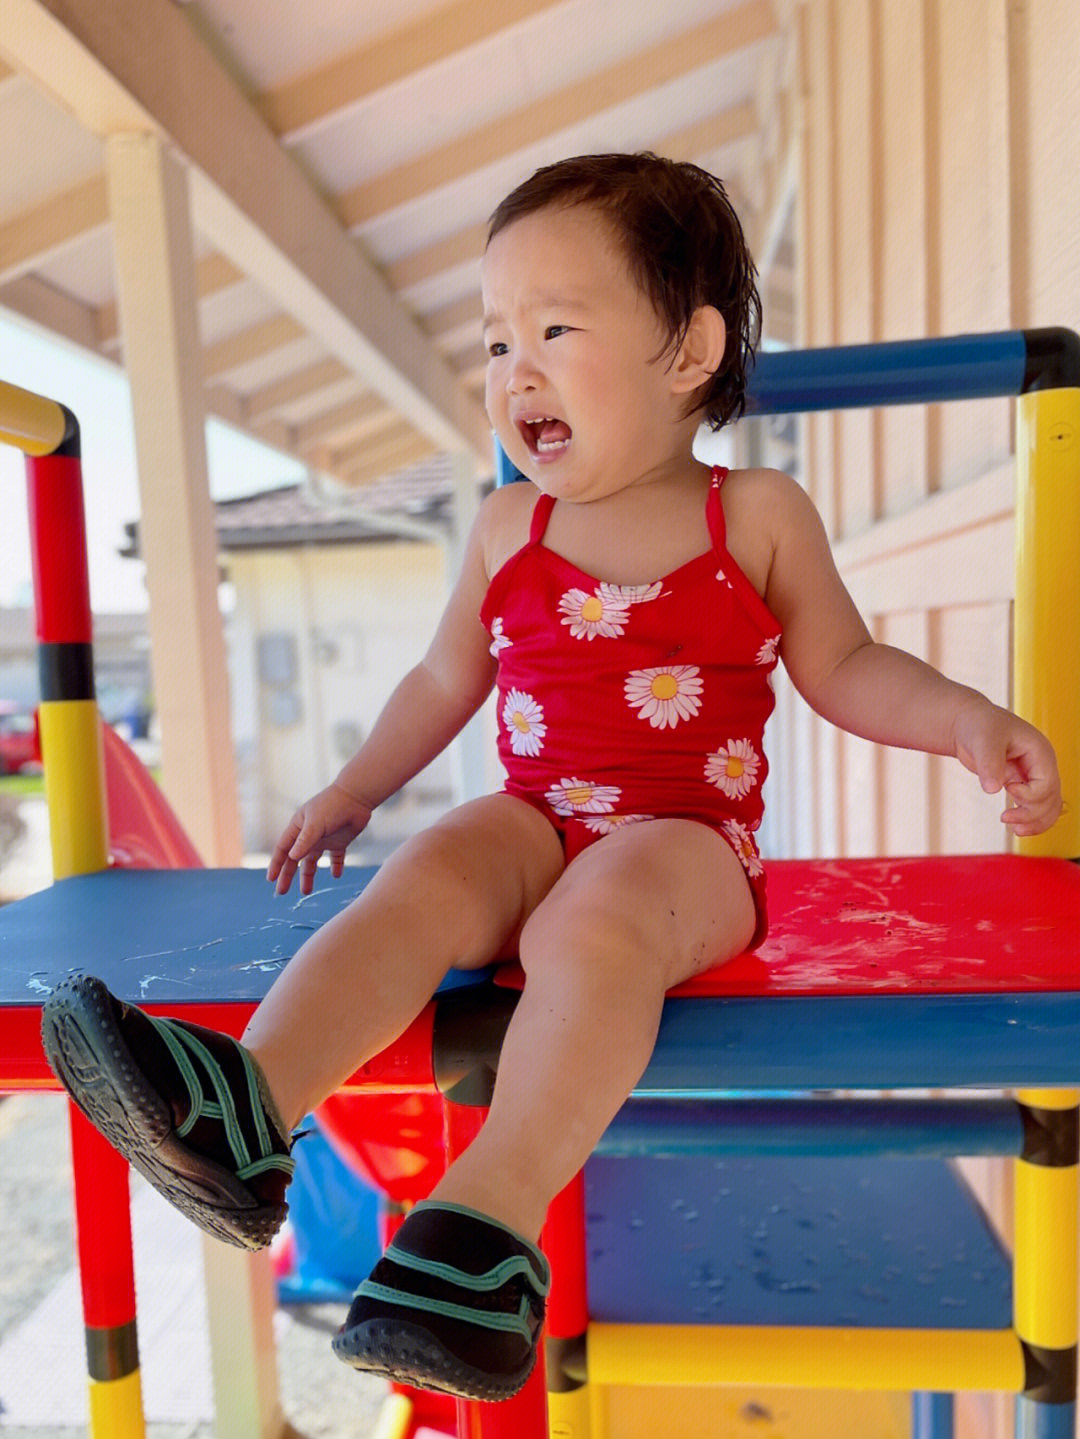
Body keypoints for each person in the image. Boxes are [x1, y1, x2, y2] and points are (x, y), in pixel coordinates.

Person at [41, 152, 1063, 1402]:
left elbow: (843, 663)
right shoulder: (502, 528)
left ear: (687, 352)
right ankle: (248, 1110)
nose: (512, 367)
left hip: (687, 848)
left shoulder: (755, 515)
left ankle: (485, 1226)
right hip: (540, 817)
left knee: (599, 911)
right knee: (429, 868)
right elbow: (439, 681)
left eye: (554, 327)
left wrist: (964, 722)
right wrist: (358, 787)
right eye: (493, 342)